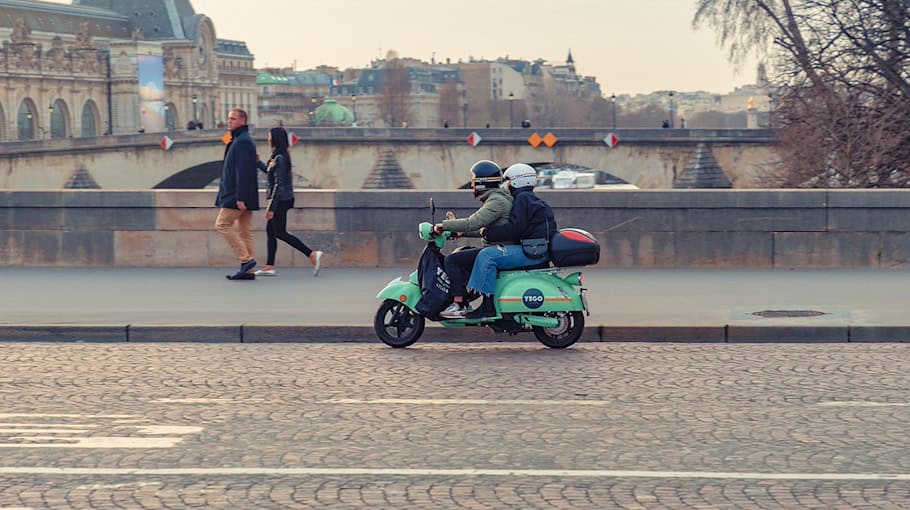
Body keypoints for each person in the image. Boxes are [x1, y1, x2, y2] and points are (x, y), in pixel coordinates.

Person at [466, 163, 557, 319]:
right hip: (537, 248)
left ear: (516, 181)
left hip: (532, 251)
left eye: (507, 181)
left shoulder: (522, 199)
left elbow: (515, 228)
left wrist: (489, 234)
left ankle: (487, 306)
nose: (505, 185)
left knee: (488, 256)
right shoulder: (530, 199)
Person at [433, 160, 513, 319]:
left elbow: (472, 222)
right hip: (499, 246)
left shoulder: (496, 201)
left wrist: (443, 226)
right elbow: (486, 230)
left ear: (483, 182)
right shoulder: (498, 198)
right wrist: (462, 234)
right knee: (463, 253)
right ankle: (466, 298)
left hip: (499, 249)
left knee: (453, 260)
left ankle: (459, 304)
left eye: (474, 179)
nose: (471, 183)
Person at [254, 127, 324, 277]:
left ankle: (311, 254)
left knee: (279, 232)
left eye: (269, 136)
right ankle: (269, 265)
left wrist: (271, 208)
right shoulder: (278, 156)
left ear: (274, 139)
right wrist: (259, 162)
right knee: (272, 231)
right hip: (283, 199)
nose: (267, 138)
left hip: (281, 200)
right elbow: (270, 172)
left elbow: (279, 184)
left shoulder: (279, 158)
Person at [215, 108, 260, 280]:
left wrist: (240, 197)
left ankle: (246, 260)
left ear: (243, 121)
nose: (229, 121)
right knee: (244, 231)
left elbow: (242, 171)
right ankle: (248, 271)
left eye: (233, 119)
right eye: (229, 118)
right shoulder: (242, 139)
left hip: (236, 194)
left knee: (222, 224)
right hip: (244, 193)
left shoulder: (241, 141)